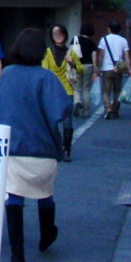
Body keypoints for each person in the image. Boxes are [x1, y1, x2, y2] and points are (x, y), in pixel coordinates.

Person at [0, 27, 73, 262]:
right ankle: (46, 236)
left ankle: (17, 252)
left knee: (14, 198)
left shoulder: (8, 74)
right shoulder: (46, 77)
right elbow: (62, 109)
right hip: (42, 149)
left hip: (12, 148)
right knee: (45, 194)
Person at [41, 23, 83, 161]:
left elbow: (81, 69)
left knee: (67, 121)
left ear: (65, 35)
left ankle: (67, 150)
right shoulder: (48, 52)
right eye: (55, 34)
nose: (58, 36)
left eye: (60, 33)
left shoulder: (71, 52)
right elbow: (44, 69)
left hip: (67, 89)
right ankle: (55, 147)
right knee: (51, 121)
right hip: (52, 90)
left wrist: (72, 63)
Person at [98, 20, 131, 119]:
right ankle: (115, 110)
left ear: (109, 29)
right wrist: (130, 70)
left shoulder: (104, 40)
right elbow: (127, 57)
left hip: (106, 68)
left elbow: (101, 55)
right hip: (118, 69)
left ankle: (108, 109)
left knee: (106, 91)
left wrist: (98, 67)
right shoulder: (123, 40)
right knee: (117, 91)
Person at [72, 22, 99, 117]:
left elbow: (71, 54)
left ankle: (77, 102)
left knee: (76, 88)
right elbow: (94, 57)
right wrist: (96, 69)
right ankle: (86, 112)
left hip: (77, 65)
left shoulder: (75, 40)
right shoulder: (92, 43)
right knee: (86, 89)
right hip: (88, 66)